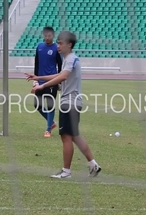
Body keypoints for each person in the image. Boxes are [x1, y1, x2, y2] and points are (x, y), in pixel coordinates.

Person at [25, 31, 102, 179]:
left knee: (66, 137)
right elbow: (59, 74)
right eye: (58, 43)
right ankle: (93, 164)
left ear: (69, 45)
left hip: (70, 102)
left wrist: (41, 86)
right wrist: (39, 77)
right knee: (75, 136)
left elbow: (63, 76)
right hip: (73, 102)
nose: (58, 46)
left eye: (60, 43)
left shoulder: (71, 58)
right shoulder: (69, 59)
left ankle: (66, 172)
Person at [34, 26, 63, 138]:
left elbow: (60, 66)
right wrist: (35, 80)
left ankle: (48, 130)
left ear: (53, 36)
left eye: (49, 36)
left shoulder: (56, 48)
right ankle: (51, 123)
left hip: (52, 81)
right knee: (37, 105)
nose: (47, 38)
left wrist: (59, 81)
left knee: (50, 105)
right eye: (45, 36)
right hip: (40, 81)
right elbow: (36, 64)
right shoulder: (39, 47)